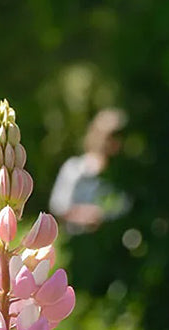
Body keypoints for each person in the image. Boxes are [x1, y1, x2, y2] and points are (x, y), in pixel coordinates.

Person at [49, 107, 131, 294]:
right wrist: (88, 214)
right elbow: (59, 207)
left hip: (112, 258)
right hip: (78, 252)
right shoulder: (75, 169)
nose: (112, 144)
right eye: (109, 137)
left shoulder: (121, 177)